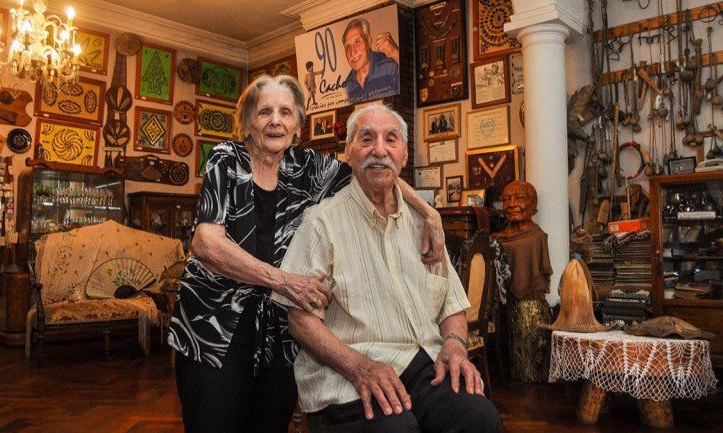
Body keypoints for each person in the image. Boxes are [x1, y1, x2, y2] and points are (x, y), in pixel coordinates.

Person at [167, 75, 446, 433]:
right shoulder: (227, 159)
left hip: (278, 333)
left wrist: (428, 213)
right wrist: (284, 281)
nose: (275, 121)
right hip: (215, 327)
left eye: (286, 112)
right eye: (264, 111)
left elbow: (376, 168)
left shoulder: (308, 168)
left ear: (298, 124)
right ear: (248, 121)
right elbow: (206, 243)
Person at [271, 105, 502, 433]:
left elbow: (452, 305)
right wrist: (359, 367)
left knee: (480, 419)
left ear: (404, 156)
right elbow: (300, 320)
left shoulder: (425, 224)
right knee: (396, 429)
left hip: (424, 364)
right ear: (348, 152)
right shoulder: (322, 223)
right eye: (367, 139)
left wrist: (453, 344)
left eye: (390, 139)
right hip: (348, 370)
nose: (379, 149)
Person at [493, 181, 552, 383]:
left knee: (528, 370)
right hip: (501, 308)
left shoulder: (536, 237)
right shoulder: (496, 239)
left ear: (533, 204)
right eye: (507, 199)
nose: (511, 203)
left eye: (519, 198)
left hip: (530, 308)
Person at [342, 18, 400, 104]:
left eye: (357, 41)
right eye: (347, 47)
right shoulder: (347, 86)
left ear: (368, 41)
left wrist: (395, 52)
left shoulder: (389, 65)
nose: (352, 52)